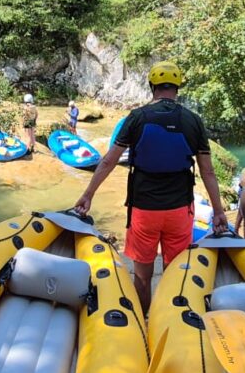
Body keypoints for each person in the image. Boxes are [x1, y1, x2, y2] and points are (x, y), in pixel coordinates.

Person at [73, 61, 228, 315]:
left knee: (143, 278)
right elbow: (207, 171)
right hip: (180, 210)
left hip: (143, 210)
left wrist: (87, 195)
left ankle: (142, 324)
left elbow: (109, 160)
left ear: (152, 86)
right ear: (177, 88)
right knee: (174, 276)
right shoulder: (193, 121)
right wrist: (218, 211)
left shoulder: (136, 117)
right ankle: (169, 323)